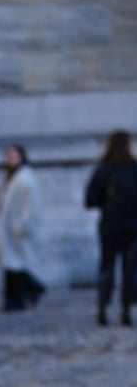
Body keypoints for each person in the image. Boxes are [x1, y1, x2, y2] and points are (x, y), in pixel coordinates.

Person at [85, 131, 137, 327]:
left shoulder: (103, 169)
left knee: (106, 267)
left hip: (109, 226)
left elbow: (90, 200)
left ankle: (102, 308)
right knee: (129, 269)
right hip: (132, 227)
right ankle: (126, 310)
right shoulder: (134, 168)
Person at [0, 145, 45, 311]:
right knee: (12, 265)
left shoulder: (25, 178)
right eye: (8, 156)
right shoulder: (9, 178)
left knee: (15, 265)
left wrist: (23, 225)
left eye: (13, 156)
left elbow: (31, 205)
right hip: (8, 229)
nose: (10, 159)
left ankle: (17, 299)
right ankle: (23, 295)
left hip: (17, 229)